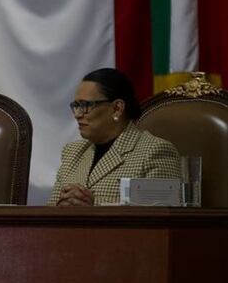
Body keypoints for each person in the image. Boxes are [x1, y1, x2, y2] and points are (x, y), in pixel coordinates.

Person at [49, 67, 181, 206]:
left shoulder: (155, 152)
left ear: (117, 108)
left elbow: (158, 221)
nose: (77, 114)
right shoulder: (72, 152)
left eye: (85, 105)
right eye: (76, 105)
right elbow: (49, 213)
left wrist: (93, 211)